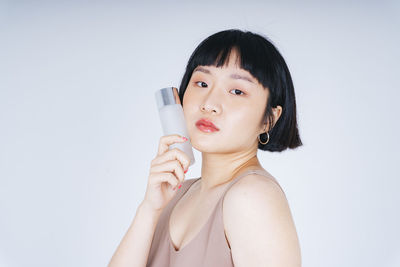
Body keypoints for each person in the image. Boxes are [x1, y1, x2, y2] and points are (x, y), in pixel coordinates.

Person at [108, 29, 303, 267]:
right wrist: (149, 209)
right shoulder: (176, 193)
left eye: (237, 91)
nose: (209, 104)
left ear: (268, 119)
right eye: (201, 83)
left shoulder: (252, 196)